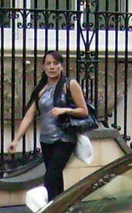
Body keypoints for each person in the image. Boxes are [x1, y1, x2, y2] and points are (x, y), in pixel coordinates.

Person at [7, 49, 89, 201]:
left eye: (55, 63)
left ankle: (47, 209)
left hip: (64, 139)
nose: (52, 67)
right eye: (48, 64)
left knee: (50, 177)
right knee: (56, 178)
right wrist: (16, 140)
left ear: (61, 66)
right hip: (46, 139)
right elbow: (29, 116)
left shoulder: (70, 84)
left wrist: (65, 109)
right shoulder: (40, 89)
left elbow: (84, 111)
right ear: (43, 67)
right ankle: (59, 209)